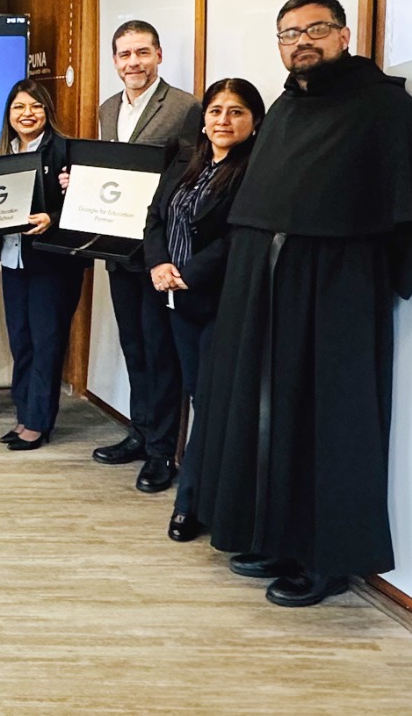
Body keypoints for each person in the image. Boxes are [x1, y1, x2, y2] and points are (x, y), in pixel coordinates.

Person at [189, 0, 412, 607]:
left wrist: (370, 285)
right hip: (263, 289)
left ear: (344, 35)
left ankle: (327, 560)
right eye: (289, 34)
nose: (302, 42)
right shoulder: (286, 106)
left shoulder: (384, 106)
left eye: (315, 29)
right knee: (267, 413)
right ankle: (273, 537)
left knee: (328, 425)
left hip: (336, 293)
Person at [141, 78, 262, 543]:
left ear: (254, 122)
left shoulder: (253, 171)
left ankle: (190, 503)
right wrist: (158, 264)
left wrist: (189, 273)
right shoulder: (187, 162)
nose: (223, 120)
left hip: (219, 303)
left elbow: (238, 236)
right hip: (175, 301)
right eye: (215, 111)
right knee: (195, 394)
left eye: (236, 112)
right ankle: (203, 494)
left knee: (209, 402)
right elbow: (155, 216)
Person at [89, 21, 202, 492]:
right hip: (119, 247)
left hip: (159, 250)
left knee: (161, 353)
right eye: (124, 54)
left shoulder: (185, 107)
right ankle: (140, 432)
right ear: (115, 61)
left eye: (141, 52)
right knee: (133, 347)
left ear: (158, 55)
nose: (133, 62)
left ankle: (162, 453)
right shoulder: (107, 108)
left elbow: (191, 175)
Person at [0, 81, 89, 451]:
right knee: (21, 341)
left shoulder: (66, 151)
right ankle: (24, 415)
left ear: (47, 111)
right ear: (9, 114)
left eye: (35, 106)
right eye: (19, 107)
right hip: (14, 258)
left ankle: (38, 423)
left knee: (46, 342)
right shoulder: (3, 154)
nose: (27, 114)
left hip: (53, 263)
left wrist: (54, 217)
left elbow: (87, 205)